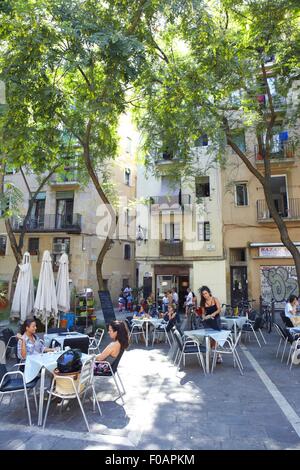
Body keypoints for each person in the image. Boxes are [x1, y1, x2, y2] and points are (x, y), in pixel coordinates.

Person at [199, 286, 223, 364]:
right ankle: (211, 353)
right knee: (209, 338)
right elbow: (202, 313)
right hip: (208, 322)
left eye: (206, 293)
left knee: (216, 338)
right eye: (203, 294)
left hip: (216, 320)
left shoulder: (215, 299)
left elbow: (219, 309)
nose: (205, 295)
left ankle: (218, 355)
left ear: (209, 292)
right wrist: (204, 317)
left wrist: (213, 314)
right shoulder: (202, 302)